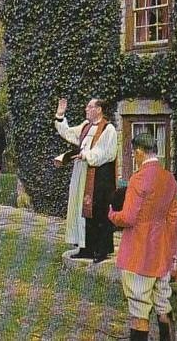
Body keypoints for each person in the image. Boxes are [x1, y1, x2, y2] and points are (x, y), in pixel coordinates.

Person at [108, 133, 177, 341]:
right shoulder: (169, 178)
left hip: (139, 250)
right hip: (162, 250)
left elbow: (128, 218)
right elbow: (173, 218)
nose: (134, 158)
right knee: (163, 303)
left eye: (134, 154)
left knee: (139, 309)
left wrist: (112, 215)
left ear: (139, 151)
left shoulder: (138, 179)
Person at [54, 98, 117, 263]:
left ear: (99, 109)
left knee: (97, 211)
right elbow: (68, 133)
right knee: (80, 209)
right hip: (82, 173)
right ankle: (85, 247)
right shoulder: (85, 126)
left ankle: (100, 249)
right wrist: (60, 115)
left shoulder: (108, 129)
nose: (86, 109)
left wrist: (86, 155)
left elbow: (106, 152)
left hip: (98, 177)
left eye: (89, 107)